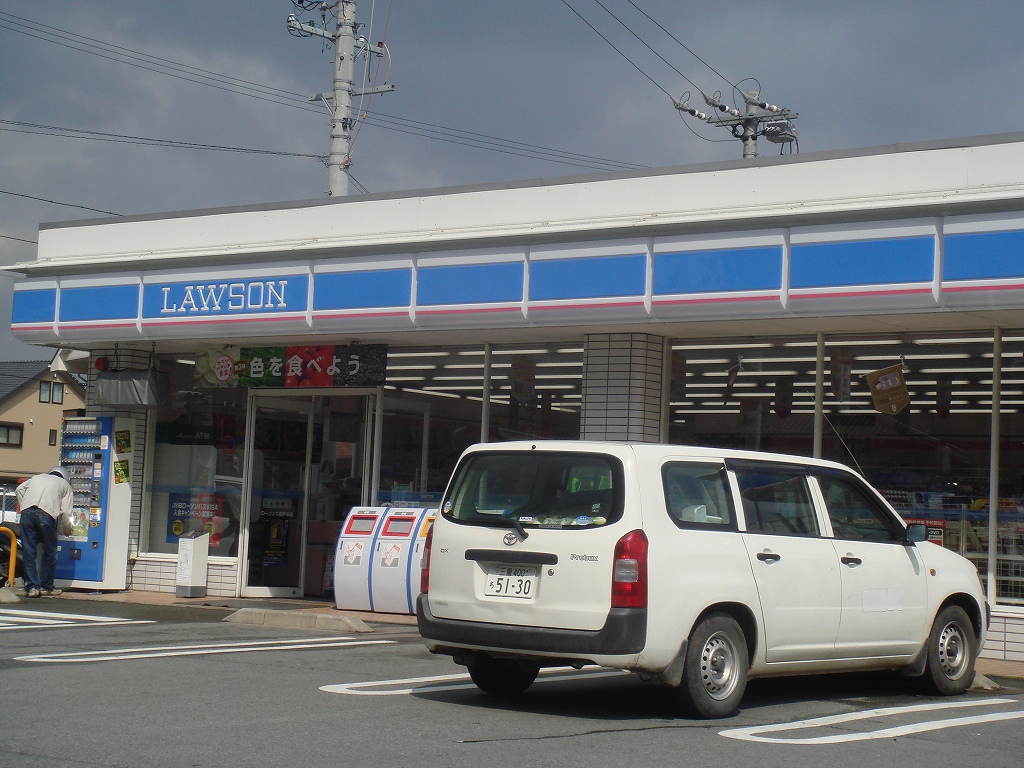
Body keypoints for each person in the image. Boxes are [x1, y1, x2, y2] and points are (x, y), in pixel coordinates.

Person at [16, 466, 73, 598]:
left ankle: (31, 588)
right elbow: (65, 512)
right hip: (46, 515)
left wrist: (24, 504)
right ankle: (46, 586)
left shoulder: (37, 477)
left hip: (27, 513)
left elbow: (19, 489)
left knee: (29, 552)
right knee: (50, 552)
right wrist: (67, 529)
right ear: (64, 477)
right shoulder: (65, 485)